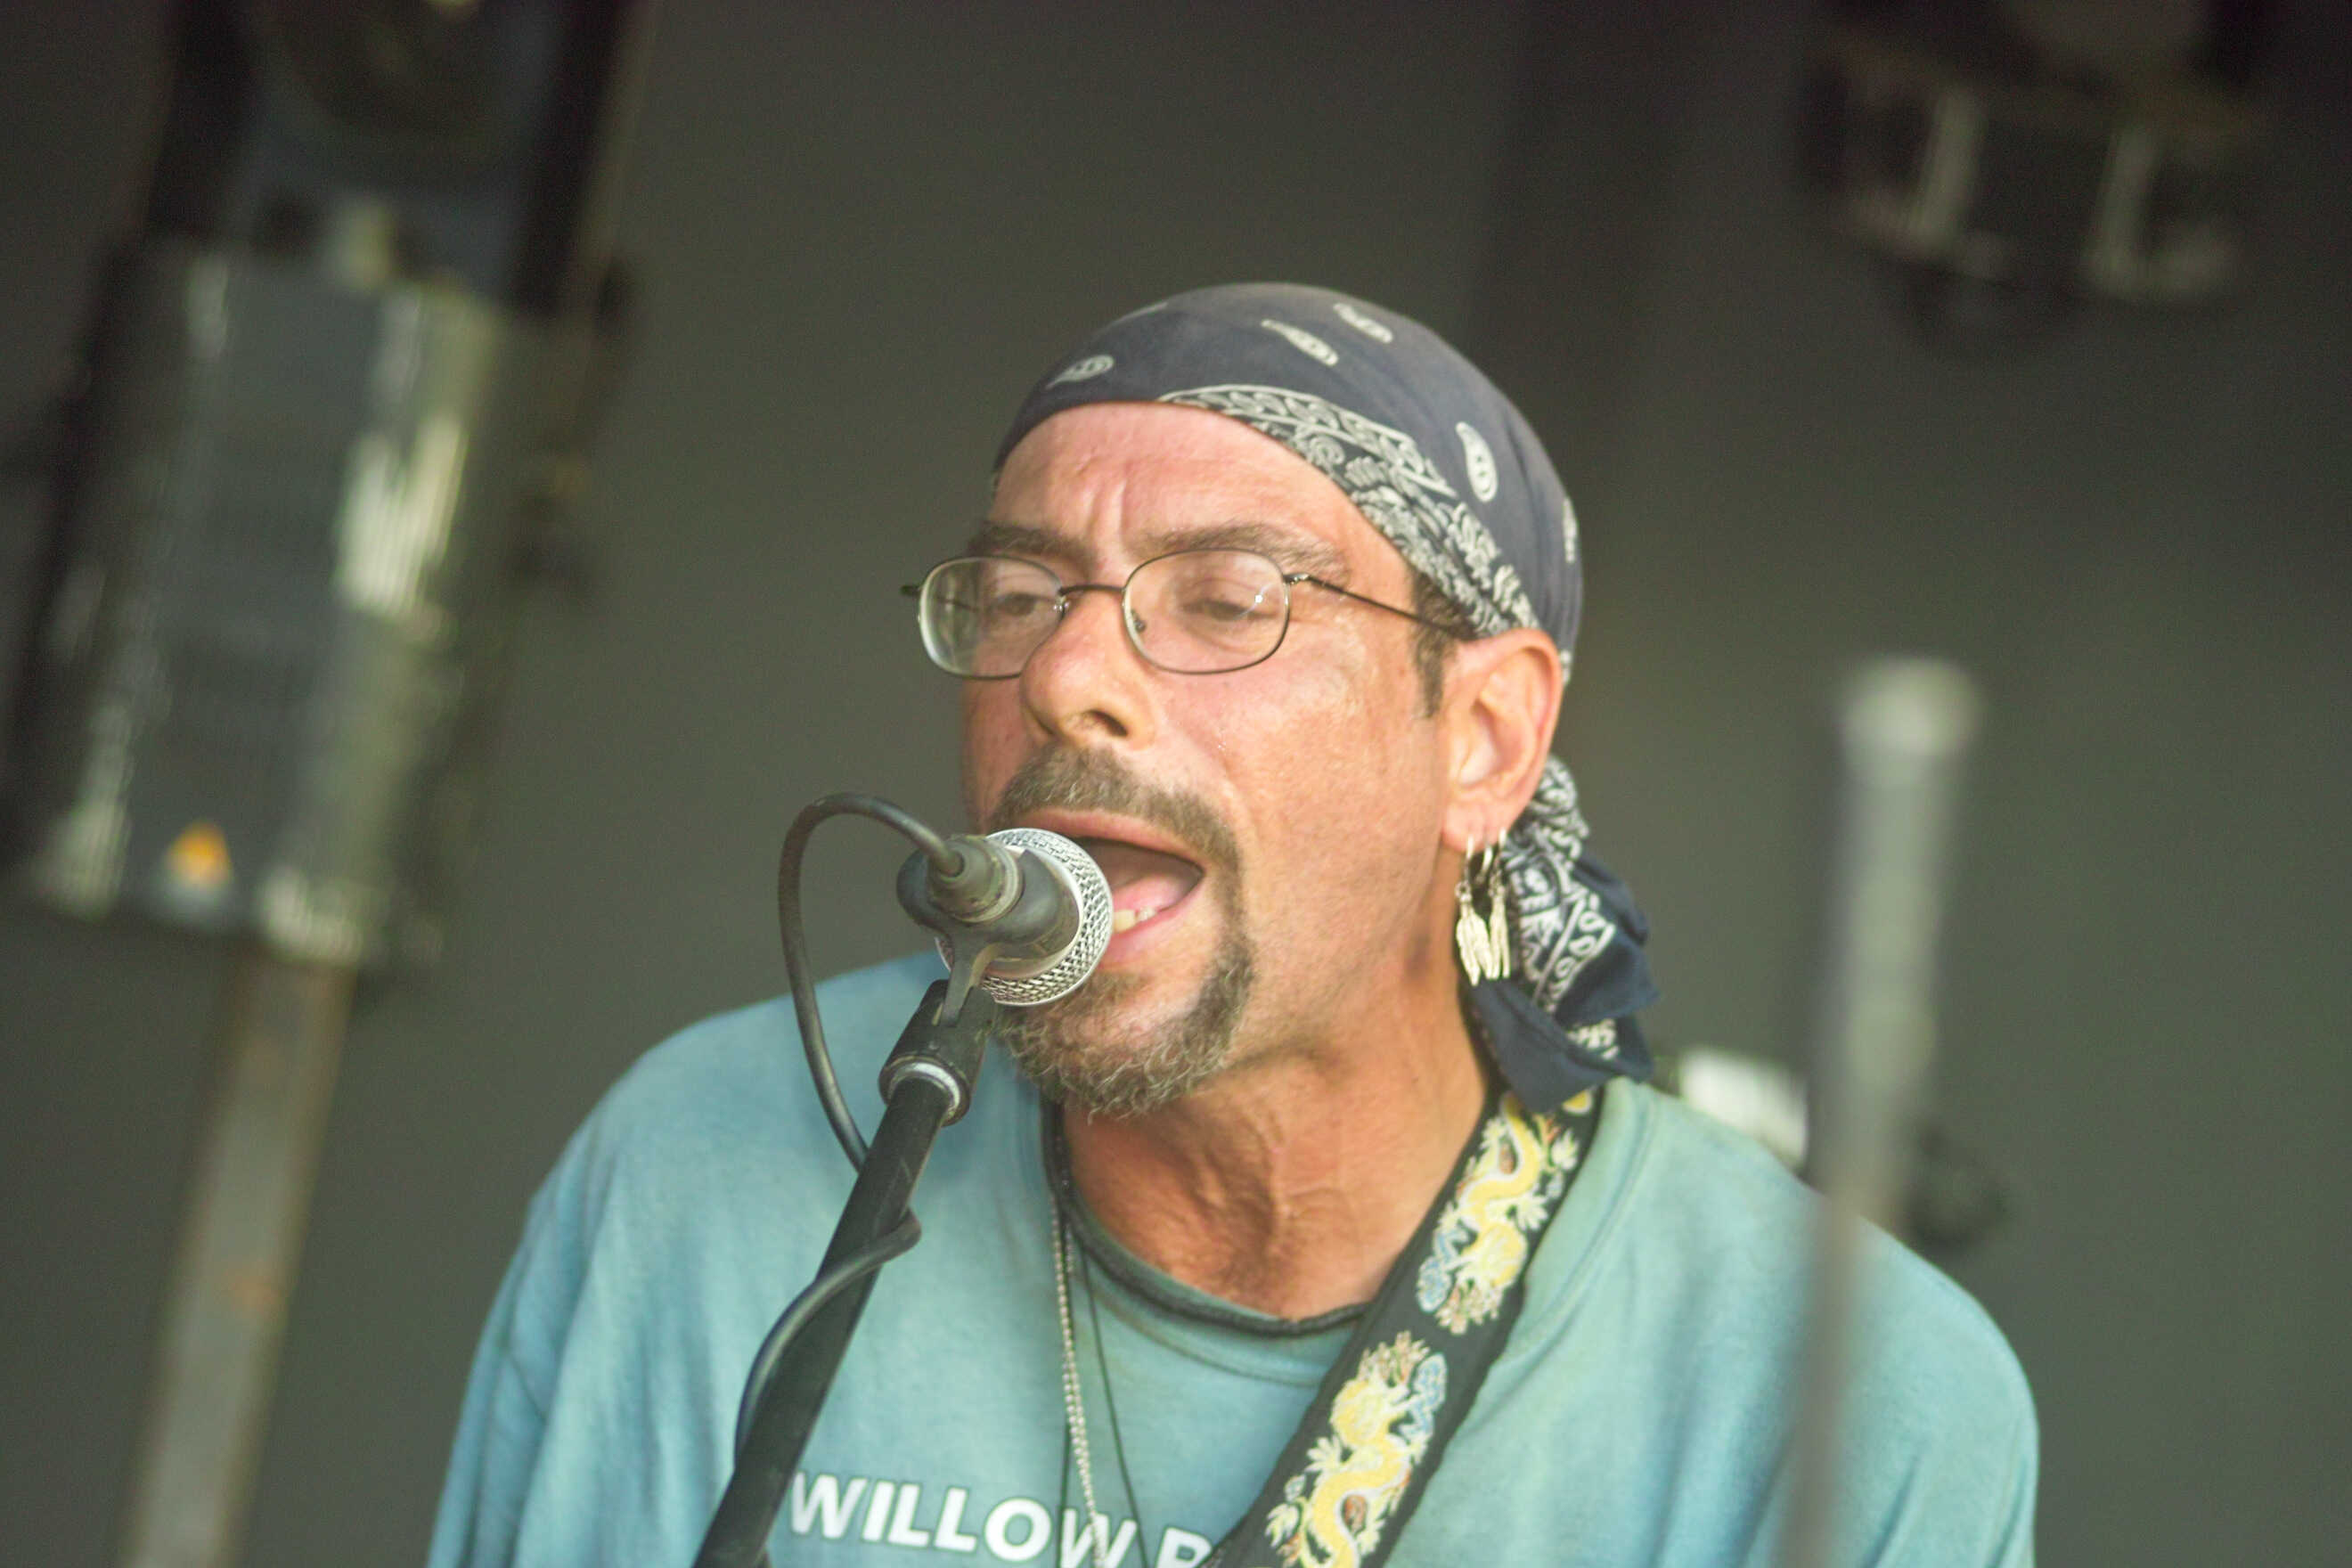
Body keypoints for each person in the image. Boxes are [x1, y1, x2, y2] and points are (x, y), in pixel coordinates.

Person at [427, 284, 2036, 1568]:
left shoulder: (1845, 1389)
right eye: (1021, 596)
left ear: (1484, 739)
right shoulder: (707, 1163)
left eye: (1227, 601)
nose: (1068, 676)